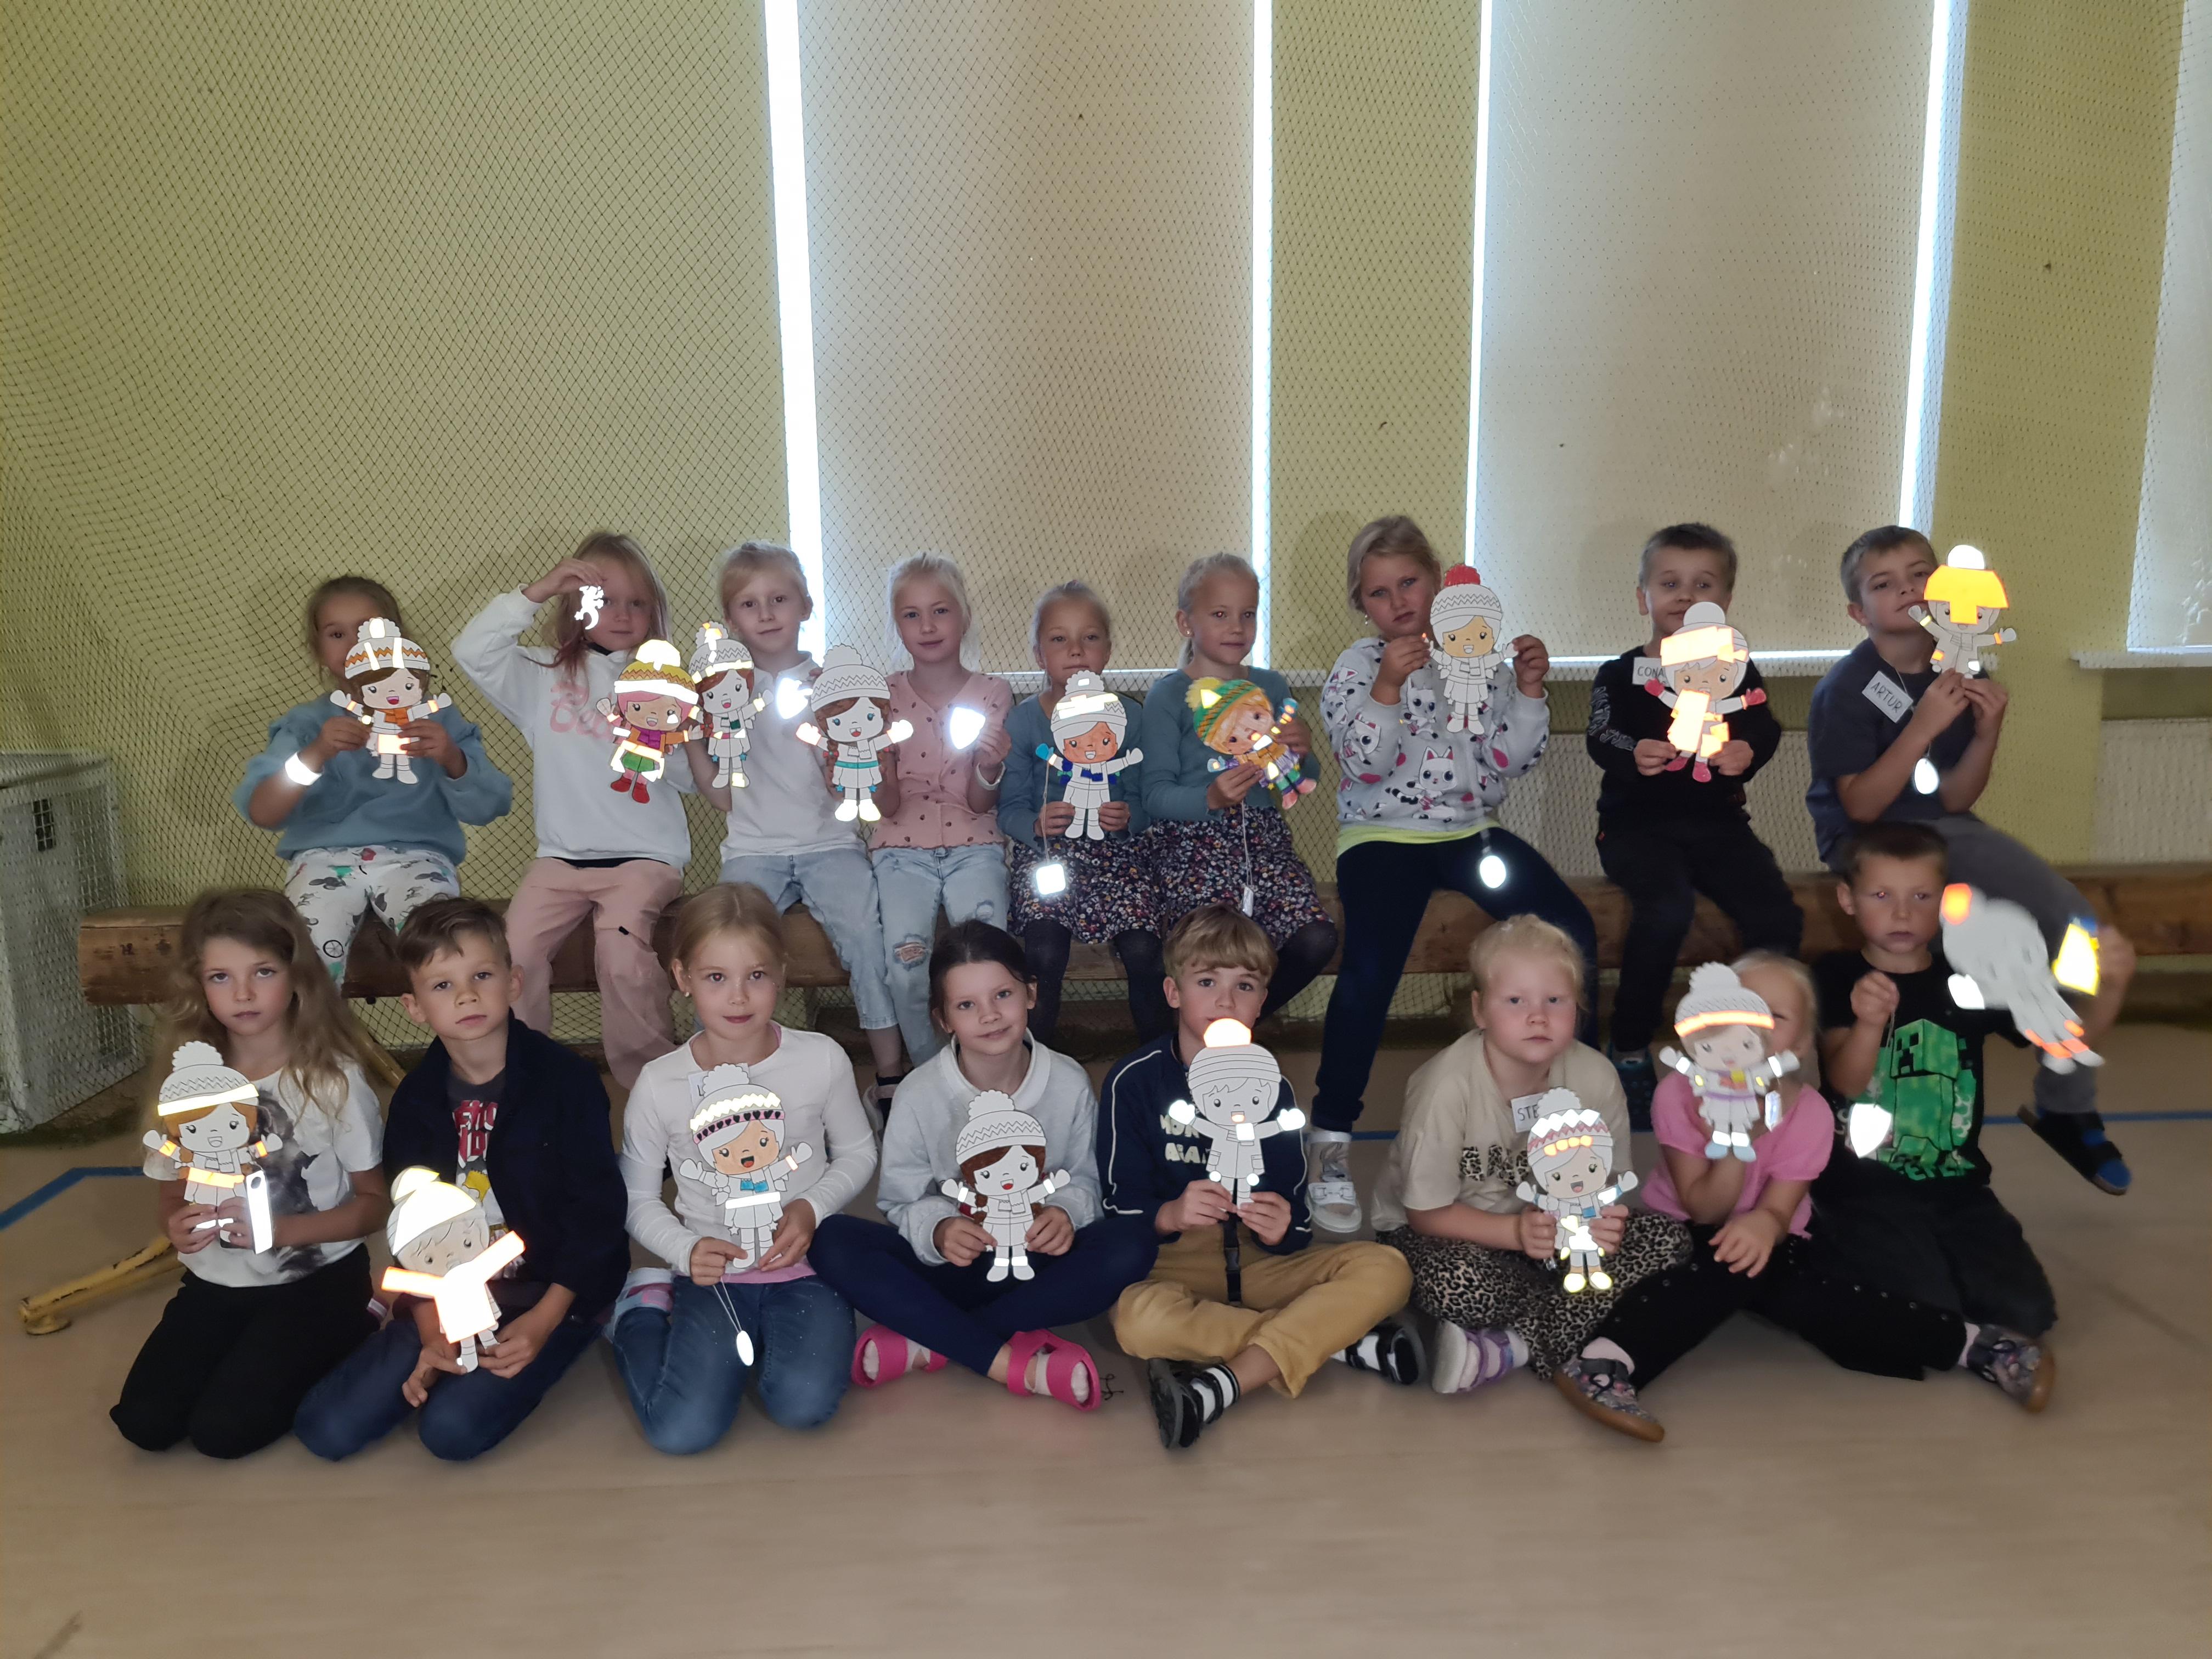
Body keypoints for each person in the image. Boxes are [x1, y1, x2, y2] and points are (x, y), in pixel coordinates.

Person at [1549, 951, 2054, 1441]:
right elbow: (1705, 1209)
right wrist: (1736, 1139)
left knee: (1815, 1297)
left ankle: (1977, 1345)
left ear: (1805, 1042)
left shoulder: (1809, 1112)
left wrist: (1766, 1224)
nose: (1755, 1027)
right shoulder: (1678, 1094)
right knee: (1721, 1267)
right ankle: (1605, 1361)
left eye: (1776, 1016)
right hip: (1681, 1231)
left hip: (1773, 1236)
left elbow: (1779, 1209)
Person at [1807, 525, 2133, 1193]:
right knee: (1955, 968)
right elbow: (1862, 806)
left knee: (2084, 937)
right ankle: (1890, 1128)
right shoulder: (1848, 687)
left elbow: (1955, 796)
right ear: (1858, 612)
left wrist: (1987, 731)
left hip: (1949, 829)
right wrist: (1923, 725)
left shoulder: (1961, 664)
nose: (1907, 590)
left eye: (1920, 575)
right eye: (1885, 584)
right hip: (1873, 841)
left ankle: (2065, 1104)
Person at [1312, 516, 1579, 1229]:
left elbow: (1510, 761)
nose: (1399, 601)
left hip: (1469, 834)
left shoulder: (1475, 656)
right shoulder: (1356, 666)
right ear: (1363, 606)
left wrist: (1528, 689)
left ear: (1438, 581)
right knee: (1369, 974)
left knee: (1568, 927)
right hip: (1383, 837)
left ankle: (1555, 1104)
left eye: (1410, 583)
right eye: (1379, 593)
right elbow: (1362, 761)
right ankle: (1331, 1138)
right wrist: (1387, 688)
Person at [293, 898, 628, 1460]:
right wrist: (431, 1332)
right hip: (450, 1291)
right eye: (442, 985)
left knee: (450, 1431)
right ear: (414, 1006)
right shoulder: (416, 1101)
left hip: (548, 1290)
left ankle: (583, 1327)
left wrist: (545, 1320)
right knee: (327, 1429)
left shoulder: (566, 1081)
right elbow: (413, 1230)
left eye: (482, 976)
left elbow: (597, 1213)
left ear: (514, 982)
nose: (467, 996)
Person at [1798, 823, 2131, 1361]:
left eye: (1921, 897)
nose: (1902, 913)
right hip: (1863, 1187)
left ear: (1947, 902)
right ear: (1848, 900)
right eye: (1881, 896)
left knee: (2028, 1315)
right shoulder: (1836, 974)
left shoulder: (1973, 976)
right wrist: (1868, 1024)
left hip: (1958, 1188)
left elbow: (2065, 1045)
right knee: (1925, 1310)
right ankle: (1819, 1242)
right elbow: (1846, 1082)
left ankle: (1935, 1263)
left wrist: (2110, 987)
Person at [1102, 906, 1420, 1451]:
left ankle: (1230, 1379)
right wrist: (1170, 1214)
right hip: (1174, 1265)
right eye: (1207, 982)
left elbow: (1295, 1220)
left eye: (1244, 986)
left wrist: (1282, 1228)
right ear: (1174, 993)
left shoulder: (1272, 1088)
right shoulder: (1133, 1082)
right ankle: (1331, 1342)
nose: (1226, 1001)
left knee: (1387, 1268)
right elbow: (1116, 1207)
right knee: (1137, 1322)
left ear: (1261, 1000)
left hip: (1258, 1264)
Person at [806, 922, 1156, 1411]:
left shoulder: (1069, 1081)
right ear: (944, 1019)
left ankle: (935, 1339)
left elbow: (1086, 1180)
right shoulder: (918, 1093)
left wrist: (1065, 1213)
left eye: (1003, 995)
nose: (989, 1015)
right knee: (831, 1238)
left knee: (1133, 1243)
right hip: (954, 1265)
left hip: (1036, 1262)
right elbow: (901, 1200)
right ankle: (1007, 1357)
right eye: (966, 1005)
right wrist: (940, 1229)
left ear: (1031, 994)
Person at [111, 890, 388, 1459]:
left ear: (297, 976)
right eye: (221, 977)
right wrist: (175, 1225)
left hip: (316, 1282)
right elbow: (172, 1194)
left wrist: (282, 1232)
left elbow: (374, 1204)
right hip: (218, 1283)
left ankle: (359, 1322)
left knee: (223, 1433)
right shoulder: (187, 1084)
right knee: (145, 1422)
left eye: (263, 972)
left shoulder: (332, 1080)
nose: (242, 994)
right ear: (198, 985)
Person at [1371, 916, 1690, 1396]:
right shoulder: (1445, 1086)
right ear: (1480, 1010)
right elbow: (1425, 1213)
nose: (1538, 1017)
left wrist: (1600, 1224)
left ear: (1578, 1008)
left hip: (1554, 1238)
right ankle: (1570, 1325)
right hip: (1447, 1235)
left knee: (1669, 1243)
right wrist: (1514, 1234)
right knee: (1452, 1280)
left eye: (1555, 1001)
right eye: (1515, 1001)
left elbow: (1606, 1188)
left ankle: (1511, 1344)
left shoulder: (1596, 1077)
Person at [609, 885, 874, 1453]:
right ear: (682, 977)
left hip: (808, 1268)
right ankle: (640, 1310)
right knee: (682, 1433)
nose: (738, 997)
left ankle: (768, 1342)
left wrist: (811, 1207)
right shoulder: (659, 1084)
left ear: (781, 973)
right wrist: (684, 1251)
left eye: (756, 975)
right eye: (716, 977)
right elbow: (635, 1198)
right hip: (713, 1277)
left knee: (803, 1406)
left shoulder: (821, 1058)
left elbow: (858, 1153)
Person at [449, 532, 692, 1087]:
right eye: (606, 601)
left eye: (637, 602)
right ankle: (522, 1081)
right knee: (511, 957)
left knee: (622, 955)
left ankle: (651, 1087)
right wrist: (538, 590)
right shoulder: (542, 676)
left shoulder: (666, 686)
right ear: (576, 606)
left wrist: (656, 740)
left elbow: (690, 780)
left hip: (645, 860)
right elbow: (472, 651)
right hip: (560, 860)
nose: (623, 615)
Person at [1584, 524, 1800, 1118]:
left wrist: (1748, 750)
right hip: (1635, 829)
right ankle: (1630, 1044)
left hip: (1719, 827)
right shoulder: (1619, 673)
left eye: (1703, 585)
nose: (1685, 595)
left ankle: (1755, 1044)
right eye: (1670, 583)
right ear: (1643, 598)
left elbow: (1763, 726)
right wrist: (1633, 752)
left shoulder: (1736, 670)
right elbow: (1601, 733)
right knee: (1666, 910)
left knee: (1776, 915)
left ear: (1724, 601)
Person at [692, 541, 909, 1109]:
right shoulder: (722, 693)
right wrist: (692, 734)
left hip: (830, 845)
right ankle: (721, 1074)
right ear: (731, 619)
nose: (766, 614)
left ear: (806, 607)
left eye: (779, 599)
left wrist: (832, 746)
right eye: (749, 604)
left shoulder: (833, 685)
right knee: (725, 947)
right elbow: (721, 796)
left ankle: (889, 1076)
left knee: (866, 937)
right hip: (752, 851)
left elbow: (847, 791)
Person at [238, 576, 510, 981]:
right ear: (318, 650)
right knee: (307, 960)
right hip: (322, 861)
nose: (354, 645)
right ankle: (316, 1025)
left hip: (418, 858)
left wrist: (452, 758)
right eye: (337, 634)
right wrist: (316, 754)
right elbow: (263, 811)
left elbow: (490, 806)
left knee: (445, 948)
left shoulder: (438, 720)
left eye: (369, 631)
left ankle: (455, 1023)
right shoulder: (307, 725)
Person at [1137, 553, 1338, 1022]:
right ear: (1186, 623)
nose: (1236, 627)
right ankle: (1188, 1044)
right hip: (1191, 850)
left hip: (1265, 847)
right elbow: (1154, 796)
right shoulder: (1168, 695)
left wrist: (1302, 752)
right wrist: (1209, 799)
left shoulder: (1271, 686)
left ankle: (1239, 1026)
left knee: (1316, 938)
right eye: (1220, 614)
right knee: (1207, 960)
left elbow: (1301, 783)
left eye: (1248, 614)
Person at [998, 580, 1168, 1044]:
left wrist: (1129, 817)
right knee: (1044, 952)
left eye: (1090, 638)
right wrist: (1034, 824)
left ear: (1107, 651)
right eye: (1060, 639)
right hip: (1047, 858)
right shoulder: (1024, 720)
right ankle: (1034, 1061)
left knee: (1145, 951)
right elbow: (1008, 808)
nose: (1076, 650)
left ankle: (1162, 1060)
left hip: (1118, 859)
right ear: (1039, 654)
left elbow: (1146, 801)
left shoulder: (1131, 717)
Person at [866, 554, 1015, 1064]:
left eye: (941, 611)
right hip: (900, 850)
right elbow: (887, 807)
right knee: (906, 968)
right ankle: (932, 1071)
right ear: (897, 625)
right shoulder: (881, 697)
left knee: (987, 961)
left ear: (964, 617)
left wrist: (990, 767)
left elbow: (979, 801)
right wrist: (875, 766)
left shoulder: (993, 693)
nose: (927, 626)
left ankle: (987, 1064)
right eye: (911, 615)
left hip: (976, 845)